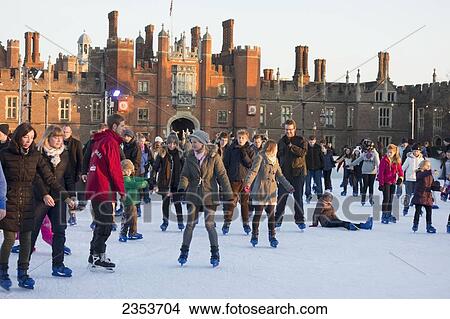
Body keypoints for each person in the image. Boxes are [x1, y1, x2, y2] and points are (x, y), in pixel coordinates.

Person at [0, 123, 73, 290]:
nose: (28, 141)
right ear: (18, 136)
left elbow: (47, 178)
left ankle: (23, 274)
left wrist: (66, 196)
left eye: (31, 138)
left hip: (27, 201)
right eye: (25, 137)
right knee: (10, 239)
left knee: (26, 239)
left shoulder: (34, 155)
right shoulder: (4, 154)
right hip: (9, 200)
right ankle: (3, 272)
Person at [177, 130, 232, 267]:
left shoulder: (214, 157)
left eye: (195, 142)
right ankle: (184, 252)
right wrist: (182, 187)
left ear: (203, 143)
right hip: (193, 194)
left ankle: (215, 253)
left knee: (209, 224)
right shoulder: (190, 156)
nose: (193, 144)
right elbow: (184, 174)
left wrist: (228, 193)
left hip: (210, 194)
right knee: (190, 224)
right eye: (191, 142)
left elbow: (222, 175)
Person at [30, 125, 76, 277]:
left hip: (58, 197)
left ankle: (58, 265)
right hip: (40, 197)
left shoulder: (65, 154)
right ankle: (23, 267)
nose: (58, 140)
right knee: (32, 231)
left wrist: (72, 195)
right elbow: (36, 177)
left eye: (61, 137)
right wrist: (44, 194)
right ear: (48, 137)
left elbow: (68, 176)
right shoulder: (38, 153)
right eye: (55, 137)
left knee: (60, 231)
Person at [85, 114, 126, 271]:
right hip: (103, 188)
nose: (124, 129)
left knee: (102, 223)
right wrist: (121, 191)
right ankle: (98, 255)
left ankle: (93, 254)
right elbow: (115, 169)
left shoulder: (100, 140)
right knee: (107, 224)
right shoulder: (110, 142)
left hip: (97, 186)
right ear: (114, 127)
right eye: (122, 126)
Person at [243, 140, 294, 248]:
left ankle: (272, 237)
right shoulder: (260, 157)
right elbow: (253, 171)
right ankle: (254, 235)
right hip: (260, 190)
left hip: (271, 191)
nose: (277, 150)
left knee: (271, 216)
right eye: (275, 148)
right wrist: (247, 184)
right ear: (271, 148)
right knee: (258, 215)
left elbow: (280, 176)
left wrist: (288, 186)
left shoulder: (275, 160)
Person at [275, 119, 308, 230]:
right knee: (281, 198)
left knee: (298, 197)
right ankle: (277, 220)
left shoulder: (301, 140)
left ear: (294, 129)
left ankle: (300, 220)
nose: (288, 132)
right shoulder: (281, 141)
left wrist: (291, 146)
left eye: (290, 129)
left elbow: (302, 153)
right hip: (284, 174)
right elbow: (278, 157)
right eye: (286, 130)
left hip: (298, 173)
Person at [222, 129, 255, 235]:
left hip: (245, 181)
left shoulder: (250, 150)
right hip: (233, 180)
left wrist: (243, 152)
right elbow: (225, 164)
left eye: (243, 138)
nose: (241, 140)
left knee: (245, 203)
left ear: (246, 139)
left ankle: (246, 224)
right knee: (231, 203)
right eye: (239, 138)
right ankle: (227, 223)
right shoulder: (231, 149)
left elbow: (250, 164)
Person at [151, 132, 184, 231]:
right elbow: (155, 167)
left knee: (177, 203)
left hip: (176, 182)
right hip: (164, 182)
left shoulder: (180, 154)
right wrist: (153, 180)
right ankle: (165, 221)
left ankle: (180, 221)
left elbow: (185, 169)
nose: (171, 145)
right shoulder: (162, 154)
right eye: (170, 143)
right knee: (165, 203)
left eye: (174, 143)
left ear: (176, 144)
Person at [119, 159, 148, 242]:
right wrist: (144, 183)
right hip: (128, 202)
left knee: (134, 218)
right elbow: (134, 184)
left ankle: (133, 232)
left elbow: (136, 179)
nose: (128, 172)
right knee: (128, 218)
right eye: (126, 170)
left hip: (133, 202)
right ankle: (123, 233)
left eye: (129, 170)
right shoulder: (124, 179)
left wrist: (145, 178)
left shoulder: (129, 178)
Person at [411, 160, 443, 233]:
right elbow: (421, 176)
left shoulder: (429, 175)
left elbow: (432, 186)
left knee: (429, 212)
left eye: (429, 166)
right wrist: (430, 172)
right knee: (417, 211)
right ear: (423, 166)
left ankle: (429, 225)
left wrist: (439, 188)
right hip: (419, 195)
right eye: (427, 166)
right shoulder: (419, 173)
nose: (429, 167)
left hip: (428, 196)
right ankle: (415, 224)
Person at [62, 125, 83, 226]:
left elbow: (80, 159)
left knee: (72, 195)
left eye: (67, 132)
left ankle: (73, 215)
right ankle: (61, 215)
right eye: (63, 132)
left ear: (70, 133)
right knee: (61, 194)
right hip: (60, 173)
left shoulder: (76, 143)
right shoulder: (58, 142)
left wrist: (79, 172)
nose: (65, 134)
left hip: (71, 172)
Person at [378, 144, 404, 224]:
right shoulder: (384, 160)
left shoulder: (396, 160)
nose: (389, 154)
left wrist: (400, 178)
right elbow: (381, 173)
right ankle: (384, 215)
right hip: (385, 182)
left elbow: (400, 171)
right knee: (386, 198)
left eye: (391, 152)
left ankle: (388, 214)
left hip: (393, 182)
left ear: (395, 152)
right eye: (388, 152)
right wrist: (381, 184)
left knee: (391, 199)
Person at [349, 140, 379, 206]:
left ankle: (371, 199)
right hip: (365, 171)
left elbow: (377, 162)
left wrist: (379, 171)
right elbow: (358, 159)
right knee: (365, 185)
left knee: (371, 186)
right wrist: (351, 164)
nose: (365, 149)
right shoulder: (364, 153)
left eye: (366, 147)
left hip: (372, 172)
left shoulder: (375, 153)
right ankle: (363, 199)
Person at [122, 129, 142, 217]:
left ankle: (137, 208)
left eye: (128, 136)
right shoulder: (124, 145)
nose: (126, 138)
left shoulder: (136, 146)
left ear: (131, 137)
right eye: (125, 136)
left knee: (134, 190)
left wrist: (132, 170)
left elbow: (137, 160)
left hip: (134, 171)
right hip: (125, 170)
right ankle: (124, 207)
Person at [401, 144, 424, 216]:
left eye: (417, 151)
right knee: (408, 194)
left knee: (418, 195)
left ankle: (419, 210)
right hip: (409, 179)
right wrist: (400, 176)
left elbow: (425, 168)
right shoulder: (409, 158)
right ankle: (406, 208)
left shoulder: (422, 159)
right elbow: (403, 168)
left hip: (418, 180)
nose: (416, 152)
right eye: (414, 151)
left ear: (419, 152)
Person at [304, 136, 324, 202]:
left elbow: (321, 157)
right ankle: (308, 195)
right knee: (308, 183)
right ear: (308, 141)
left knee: (318, 183)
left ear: (315, 141)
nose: (311, 143)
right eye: (310, 141)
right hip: (308, 168)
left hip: (317, 168)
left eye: (313, 141)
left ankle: (320, 195)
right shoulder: (306, 148)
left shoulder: (318, 147)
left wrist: (322, 166)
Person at [138, 134, 152, 204]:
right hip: (138, 169)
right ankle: (140, 197)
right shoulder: (136, 148)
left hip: (145, 169)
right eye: (141, 141)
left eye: (143, 141)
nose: (142, 143)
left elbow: (151, 159)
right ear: (138, 141)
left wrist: (152, 166)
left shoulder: (147, 149)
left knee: (145, 184)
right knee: (139, 184)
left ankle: (146, 197)